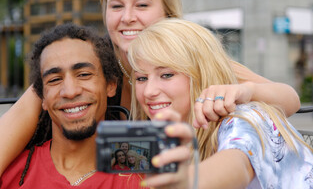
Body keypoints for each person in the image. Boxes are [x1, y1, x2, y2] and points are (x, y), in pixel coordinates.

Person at [0, 0, 300, 175]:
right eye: (116, 6)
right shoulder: (84, 65)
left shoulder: (194, 58)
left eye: (142, 5)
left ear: (169, 14)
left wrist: (242, 92)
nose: (127, 17)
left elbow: (290, 99)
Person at [127, 19, 313, 188]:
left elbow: (238, 163)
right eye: (141, 78)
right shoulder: (165, 134)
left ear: (201, 73)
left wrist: (189, 180)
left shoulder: (243, 117)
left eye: (167, 74)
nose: (149, 91)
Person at [0, 23, 192, 188]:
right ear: (41, 97)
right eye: (55, 79)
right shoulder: (11, 170)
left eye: (84, 74)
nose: (70, 91)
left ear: (110, 85)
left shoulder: (146, 166)